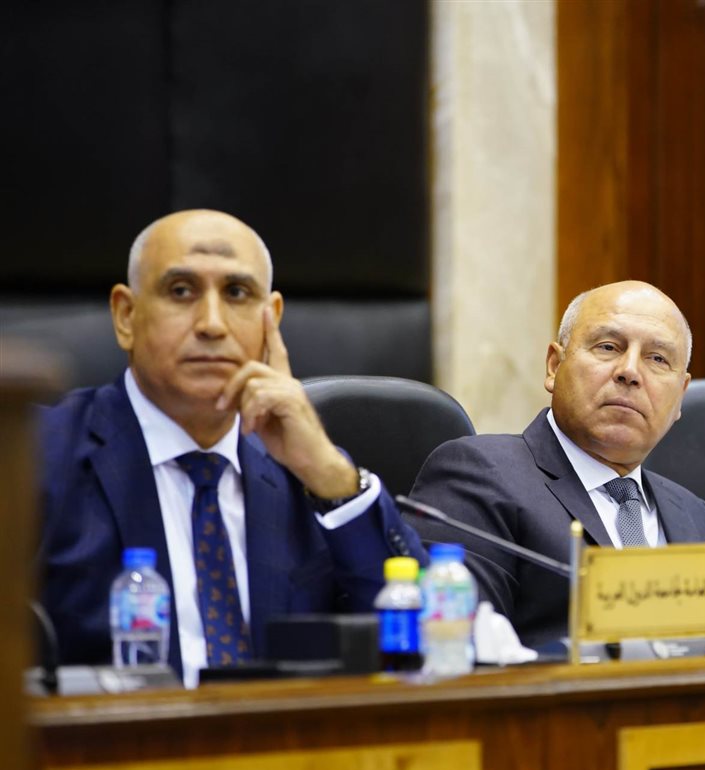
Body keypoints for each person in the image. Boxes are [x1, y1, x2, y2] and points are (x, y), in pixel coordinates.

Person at [38, 209, 426, 687]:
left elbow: (426, 644)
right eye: (181, 291)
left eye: (237, 293)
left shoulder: (305, 473)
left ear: (272, 320)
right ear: (126, 316)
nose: (212, 324)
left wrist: (331, 478)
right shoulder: (35, 456)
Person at [407, 281, 705, 646]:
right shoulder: (478, 473)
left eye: (658, 359)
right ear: (555, 366)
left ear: (680, 395)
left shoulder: (694, 515)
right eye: (608, 347)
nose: (630, 371)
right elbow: (459, 648)